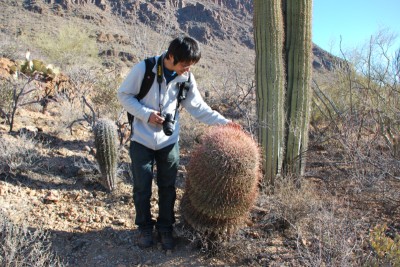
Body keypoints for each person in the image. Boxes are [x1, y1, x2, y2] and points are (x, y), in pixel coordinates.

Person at [117, 36, 238, 250]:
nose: (187, 69)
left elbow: (199, 108)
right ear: (170, 56)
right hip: (141, 139)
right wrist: (147, 114)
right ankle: (144, 227)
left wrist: (225, 123)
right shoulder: (145, 69)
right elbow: (124, 95)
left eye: (191, 65)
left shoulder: (186, 78)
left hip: (169, 141)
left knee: (168, 187)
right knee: (142, 187)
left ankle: (165, 227)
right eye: (184, 64)